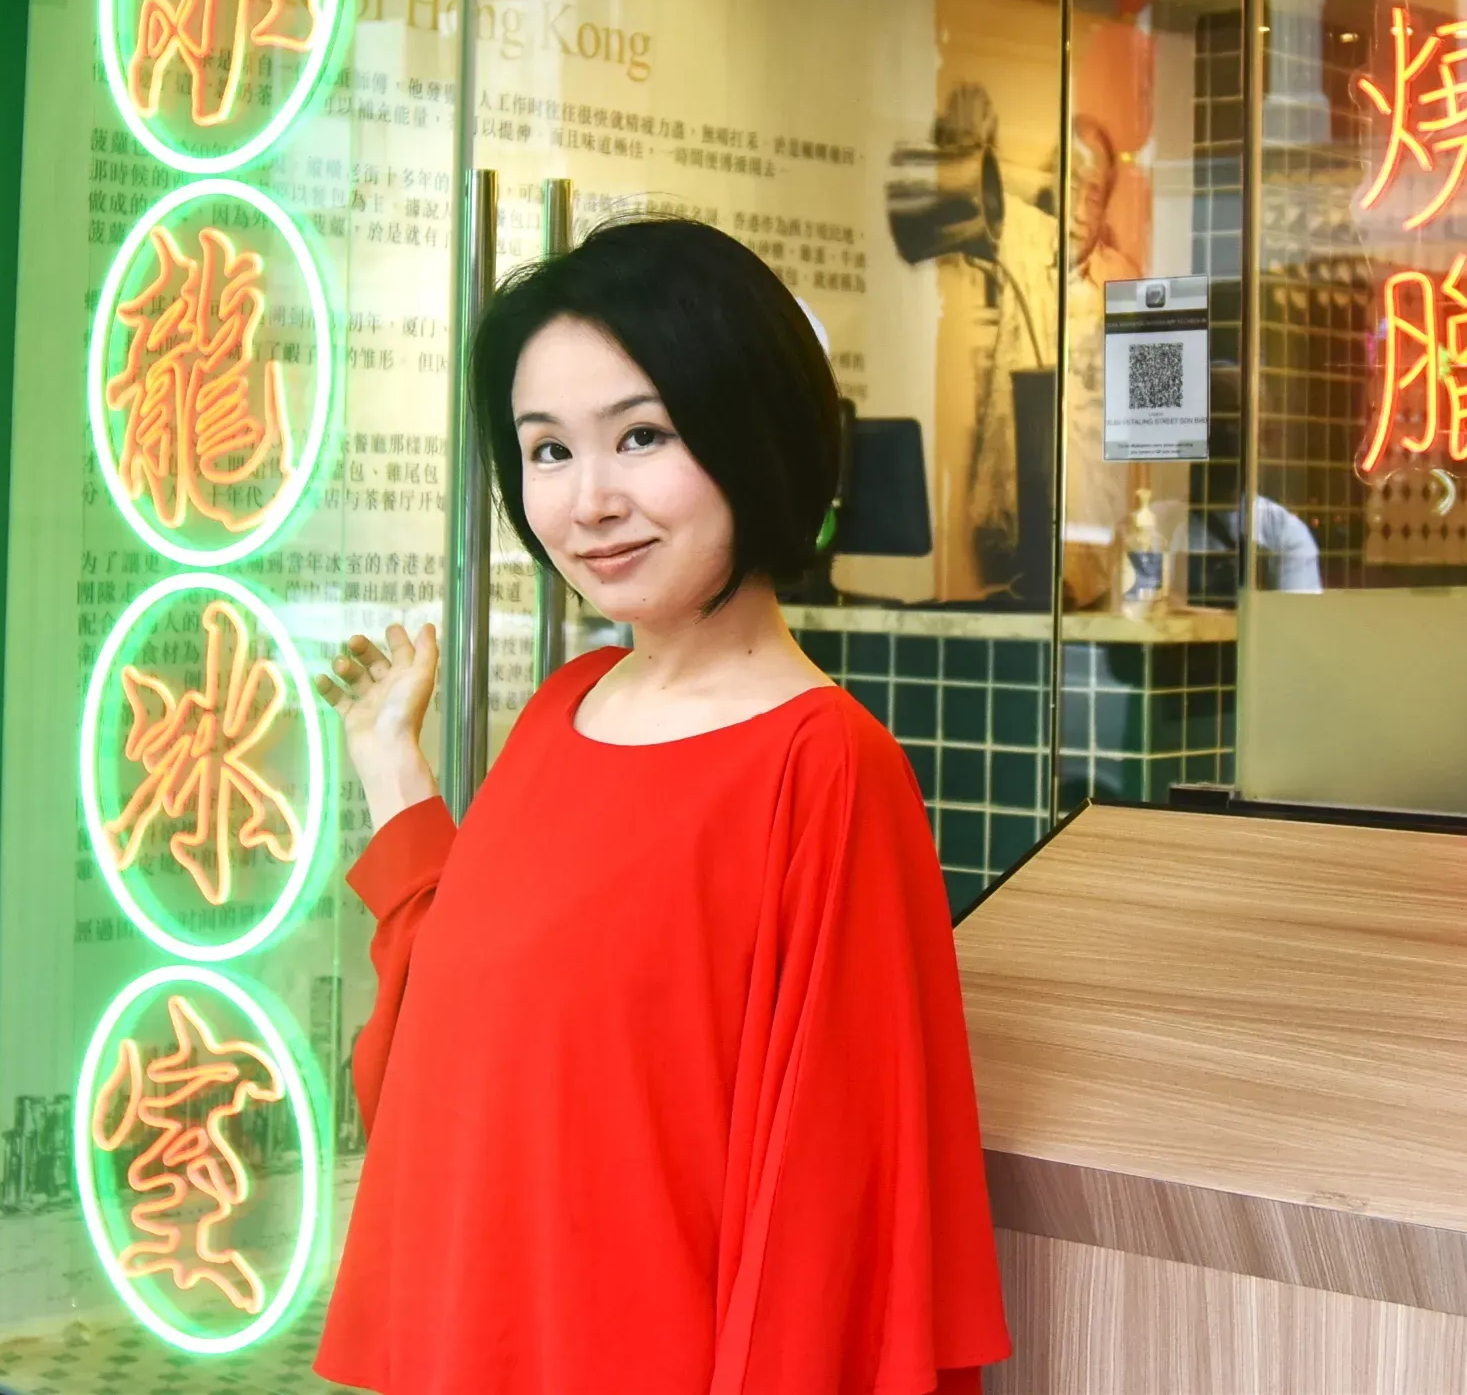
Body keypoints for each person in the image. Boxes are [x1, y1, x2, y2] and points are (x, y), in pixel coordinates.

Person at [311, 215, 1011, 1395]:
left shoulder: (825, 768)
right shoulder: (566, 707)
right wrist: (392, 769)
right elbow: (446, 1071)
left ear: (753, 433)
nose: (588, 500)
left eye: (641, 435)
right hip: (477, 1343)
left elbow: (824, 1235)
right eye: (546, 449)